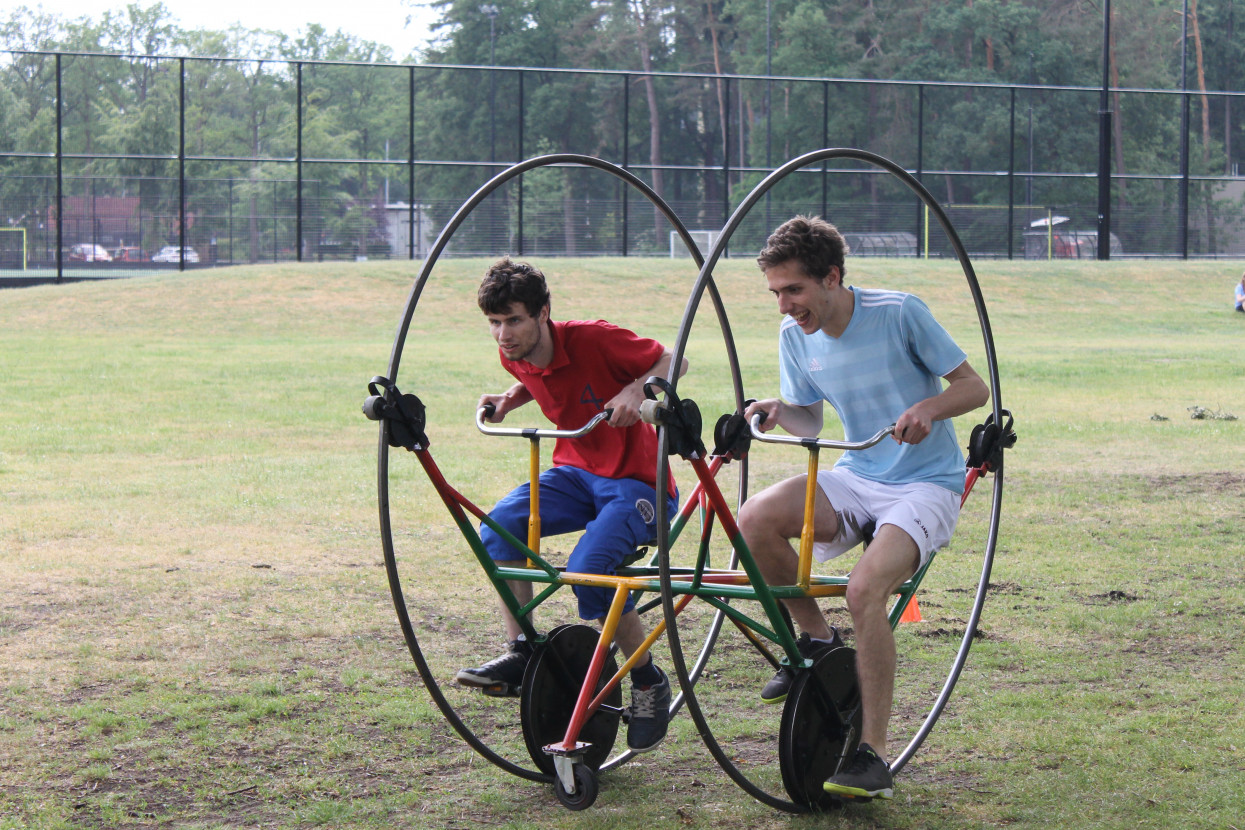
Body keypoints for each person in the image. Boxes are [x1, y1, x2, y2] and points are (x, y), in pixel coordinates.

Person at [738, 216, 989, 801]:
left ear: (831, 278)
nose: (784, 305)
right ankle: (818, 640)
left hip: (925, 483)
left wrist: (930, 406)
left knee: (864, 591)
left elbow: (973, 388)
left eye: (793, 290)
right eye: (775, 292)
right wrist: (779, 408)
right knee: (753, 519)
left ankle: (873, 753)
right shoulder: (794, 336)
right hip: (859, 473)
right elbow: (809, 418)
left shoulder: (899, 312)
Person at [454, 257, 687, 754]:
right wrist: (511, 399)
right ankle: (521, 649)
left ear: (543, 314)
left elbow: (676, 360)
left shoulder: (593, 338)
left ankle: (647, 680)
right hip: (575, 473)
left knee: (589, 571)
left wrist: (633, 389)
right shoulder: (512, 354)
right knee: (498, 530)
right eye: (494, 323)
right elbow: (542, 378)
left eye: (514, 320)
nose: (502, 335)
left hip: (637, 484)